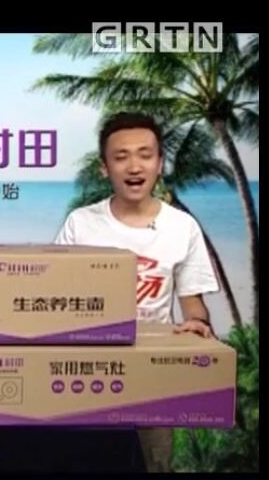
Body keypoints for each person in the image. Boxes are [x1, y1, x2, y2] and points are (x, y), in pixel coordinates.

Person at [53, 112, 220, 472]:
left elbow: (194, 306)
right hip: (88, 371)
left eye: (145, 155)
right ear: (104, 168)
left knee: (155, 463)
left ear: (160, 163)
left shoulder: (182, 227)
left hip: (153, 373)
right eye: (121, 156)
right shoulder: (81, 223)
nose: (134, 166)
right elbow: (57, 298)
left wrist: (198, 326)